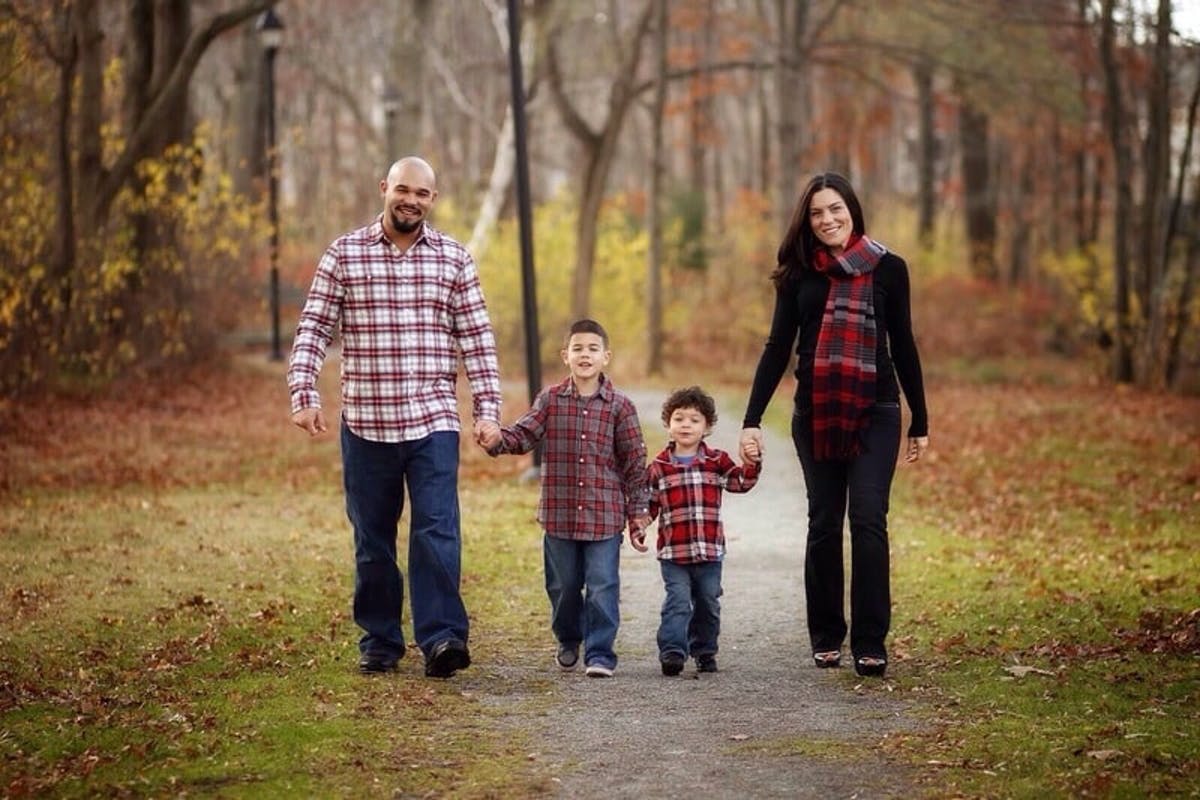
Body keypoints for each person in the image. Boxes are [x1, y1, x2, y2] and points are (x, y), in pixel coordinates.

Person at [287, 156, 502, 679]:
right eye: (403, 189)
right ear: (384, 188)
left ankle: (442, 638)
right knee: (373, 540)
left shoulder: (453, 259)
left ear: (433, 199)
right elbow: (314, 328)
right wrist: (303, 392)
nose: (411, 200)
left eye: (422, 194)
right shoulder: (344, 254)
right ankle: (380, 640)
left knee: (436, 531)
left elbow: (477, 340)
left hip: (432, 421)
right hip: (366, 423)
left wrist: (488, 410)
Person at [738, 172, 929, 678]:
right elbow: (777, 347)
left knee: (868, 520)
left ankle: (870, 642)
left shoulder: (890, 270)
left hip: (877, 410)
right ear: (807, 220)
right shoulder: (799, 274)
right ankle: (826, 634)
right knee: (824, 523)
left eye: (835, 209)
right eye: (817, 213)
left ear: (852, 210)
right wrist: (752, 418)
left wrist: (920, 418)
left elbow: (903, 343)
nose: (827, 220)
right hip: (815, 412)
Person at [479, 319, 648, 678]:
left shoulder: (621, 407)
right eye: (577, 349)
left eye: (592, 349)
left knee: (603, 586)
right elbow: (524, 434)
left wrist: (638, 513)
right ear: (565, 356)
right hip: (559, 515)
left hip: (604, 516)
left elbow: (635, 463)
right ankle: (569, 639)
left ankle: (600, 652)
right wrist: (497, 440)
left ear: (606, 357)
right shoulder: (551, 400)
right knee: (563, 587)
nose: (584, 355)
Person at [636, 386, 760, 676]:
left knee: (708, 602)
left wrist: (751, 463)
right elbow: (649, 504)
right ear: (668, 425)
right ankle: (672, 652)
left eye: (694, 420)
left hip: (709, 552)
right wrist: (639, 525)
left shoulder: (717, 461)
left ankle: (704, 651)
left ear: (707, 427)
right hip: (674, 552)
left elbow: (740, 482)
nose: (686, 425)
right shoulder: (658, 467)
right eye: (679, 419)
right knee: (677, 602)